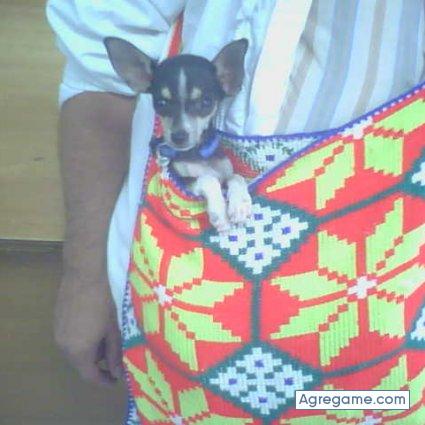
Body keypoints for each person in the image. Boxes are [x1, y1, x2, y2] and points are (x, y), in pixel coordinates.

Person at [47, 0, 424, 399]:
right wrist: (86, 279)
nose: (182, 124)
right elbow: (99, 69)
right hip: (175, 317)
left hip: (385, 309)